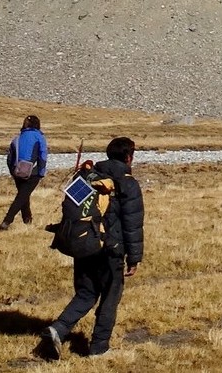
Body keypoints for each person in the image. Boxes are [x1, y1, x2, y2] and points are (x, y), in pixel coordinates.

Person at [40, 137, 144, 359]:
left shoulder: (89, 176)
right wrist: (134, 258)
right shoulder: (127, 182)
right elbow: (132, 223)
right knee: (110, 296)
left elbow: (71, 208)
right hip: (110, 249)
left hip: (84, 243)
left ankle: (57, 329)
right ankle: (99, 347)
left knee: (86, 293)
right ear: (129, 157)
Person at [0, 114, 48, 230]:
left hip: (17, 171)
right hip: (33, 172)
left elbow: (10, 157)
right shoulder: (39, 137)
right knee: (21, 197)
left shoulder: (17, 138)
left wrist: (12, 171)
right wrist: (41, 172)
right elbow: (43, 156)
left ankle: (27, 220)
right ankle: (6, 221)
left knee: (23, 195)